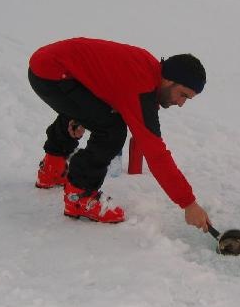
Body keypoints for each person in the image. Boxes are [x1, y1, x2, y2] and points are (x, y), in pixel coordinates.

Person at [28, 37, 210, 231]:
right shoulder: (140, 86)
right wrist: (188, 203)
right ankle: (79, 196)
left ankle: (52, 169)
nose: (181, 103)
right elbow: (156, 154)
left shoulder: (148, 70)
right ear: (168, 80)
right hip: (52, 74)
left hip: (54, 66)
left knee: (97, 113)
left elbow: (107, 86)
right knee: (111, 129)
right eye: (182, 94)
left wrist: (79, 115)